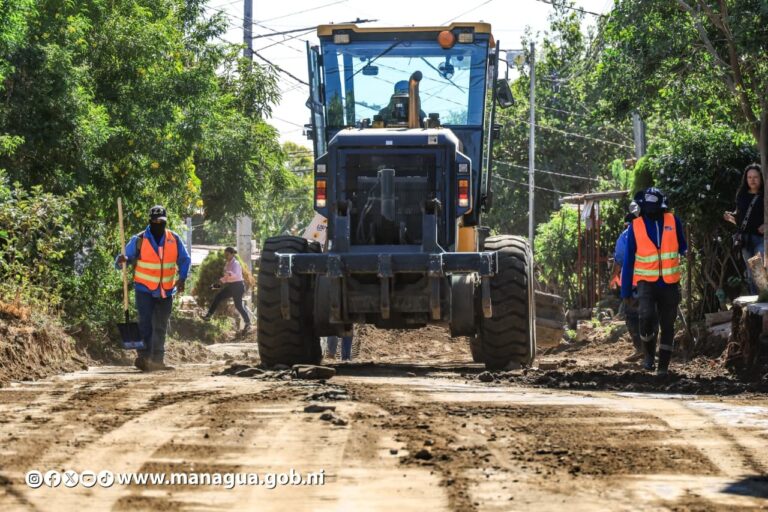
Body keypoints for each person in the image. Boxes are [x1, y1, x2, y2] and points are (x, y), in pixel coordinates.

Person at [116, 205, 191, 372]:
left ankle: (157, 360)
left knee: (161, 326)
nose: (159, 224)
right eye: (156, 221)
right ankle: (144, 357)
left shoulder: (174, 239)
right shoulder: (139, 240)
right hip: (144, 290)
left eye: (162, 221)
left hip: (166, 290)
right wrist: (122, 260)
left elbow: (185, 260)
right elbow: (125, 259)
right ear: (150, 221)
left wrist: (182, 278)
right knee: (145, 324)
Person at [621, 188, 687, 375]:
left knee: (668, 325)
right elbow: (628, 260)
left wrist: (685, 252)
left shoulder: (673, 221)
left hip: (669, 283)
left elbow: (682, 245)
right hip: (646, 283)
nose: (652, 212)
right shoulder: (636, 226)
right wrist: (625, 291)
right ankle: (648, 354)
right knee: (646, 317)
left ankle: (663, 367)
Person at [723, 163, 765, 294]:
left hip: (761, 239)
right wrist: (731, 217)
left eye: (755, 177)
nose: (752, 180)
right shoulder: (741, 194)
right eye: (749, 177)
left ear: (761, 178)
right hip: (745, 240)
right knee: (751, 273)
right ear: (746, 179)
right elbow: (740, 216)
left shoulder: (765, 195)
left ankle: (765, 302)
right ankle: (755, 307)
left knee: (760, 270)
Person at [610, 202, 643, 360]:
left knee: (632, 316)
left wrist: (613, 277)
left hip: (632, 284)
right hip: (652, 281)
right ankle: (650, 349)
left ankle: (640, 348)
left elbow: (619, 260)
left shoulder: (625, 235)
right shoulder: (650, 232)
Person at [201, 247, 251, 332]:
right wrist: (214, 286)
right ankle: (208, 316)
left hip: (238, 286)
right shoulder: (227, 264)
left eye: (227, 254)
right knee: (218, 297)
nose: (226, 256)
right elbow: (225, 279)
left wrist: (228, 273)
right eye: (225, 255)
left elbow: (236, 275)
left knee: (238, 305)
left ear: (232, 254)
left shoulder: (236, 263)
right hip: (231, 286)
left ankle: (248, 323)